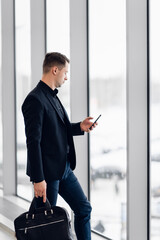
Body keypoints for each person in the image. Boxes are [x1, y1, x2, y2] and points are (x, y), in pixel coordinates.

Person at [22, 52, 97, 240]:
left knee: (83, 208)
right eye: (65, 72)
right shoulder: (35, 99)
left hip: (63, 169)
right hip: (47, 174)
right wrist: (38, 179)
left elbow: (56, 130)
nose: (66, 77)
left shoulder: (52, 96)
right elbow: (33, 142)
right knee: (44, 224)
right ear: (55, 70)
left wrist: (80, 126)